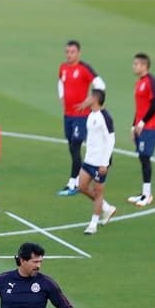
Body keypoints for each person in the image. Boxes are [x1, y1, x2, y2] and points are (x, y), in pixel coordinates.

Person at [56, 40, 105, 196]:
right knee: (72, 146)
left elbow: (100, 85)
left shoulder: (84, 68)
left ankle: (73, 182)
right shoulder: (63, 68)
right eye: (67, 52)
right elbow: (60, 81)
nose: (69, 55)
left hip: (81, 116)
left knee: (75, 146)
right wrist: (62, 96)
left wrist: (89, 101)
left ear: (79, 53)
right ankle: (81, 177)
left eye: (72, 52)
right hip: (68, 115)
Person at [79, 90, 118, 235]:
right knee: (81, 186)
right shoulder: (91, 114)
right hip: (89, 159)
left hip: (99, 163)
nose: (87, 98)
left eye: (89, 96)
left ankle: (93, 224)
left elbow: (111, 140)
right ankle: (107, 208)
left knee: (98, 192)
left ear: (95, 99)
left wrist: (105, 163)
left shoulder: (105, 117)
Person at [128, 52, 155, 208]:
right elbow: (140, 107)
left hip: (150, 126)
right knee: (142, 157)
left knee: (145, 157)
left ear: (144, 66)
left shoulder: (151, 82)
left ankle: (147, 195)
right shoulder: (139, 82)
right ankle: (144, 192)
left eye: (136, 64)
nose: (134, 66)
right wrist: (134, 125)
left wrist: (142, 122)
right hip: (141, 126)